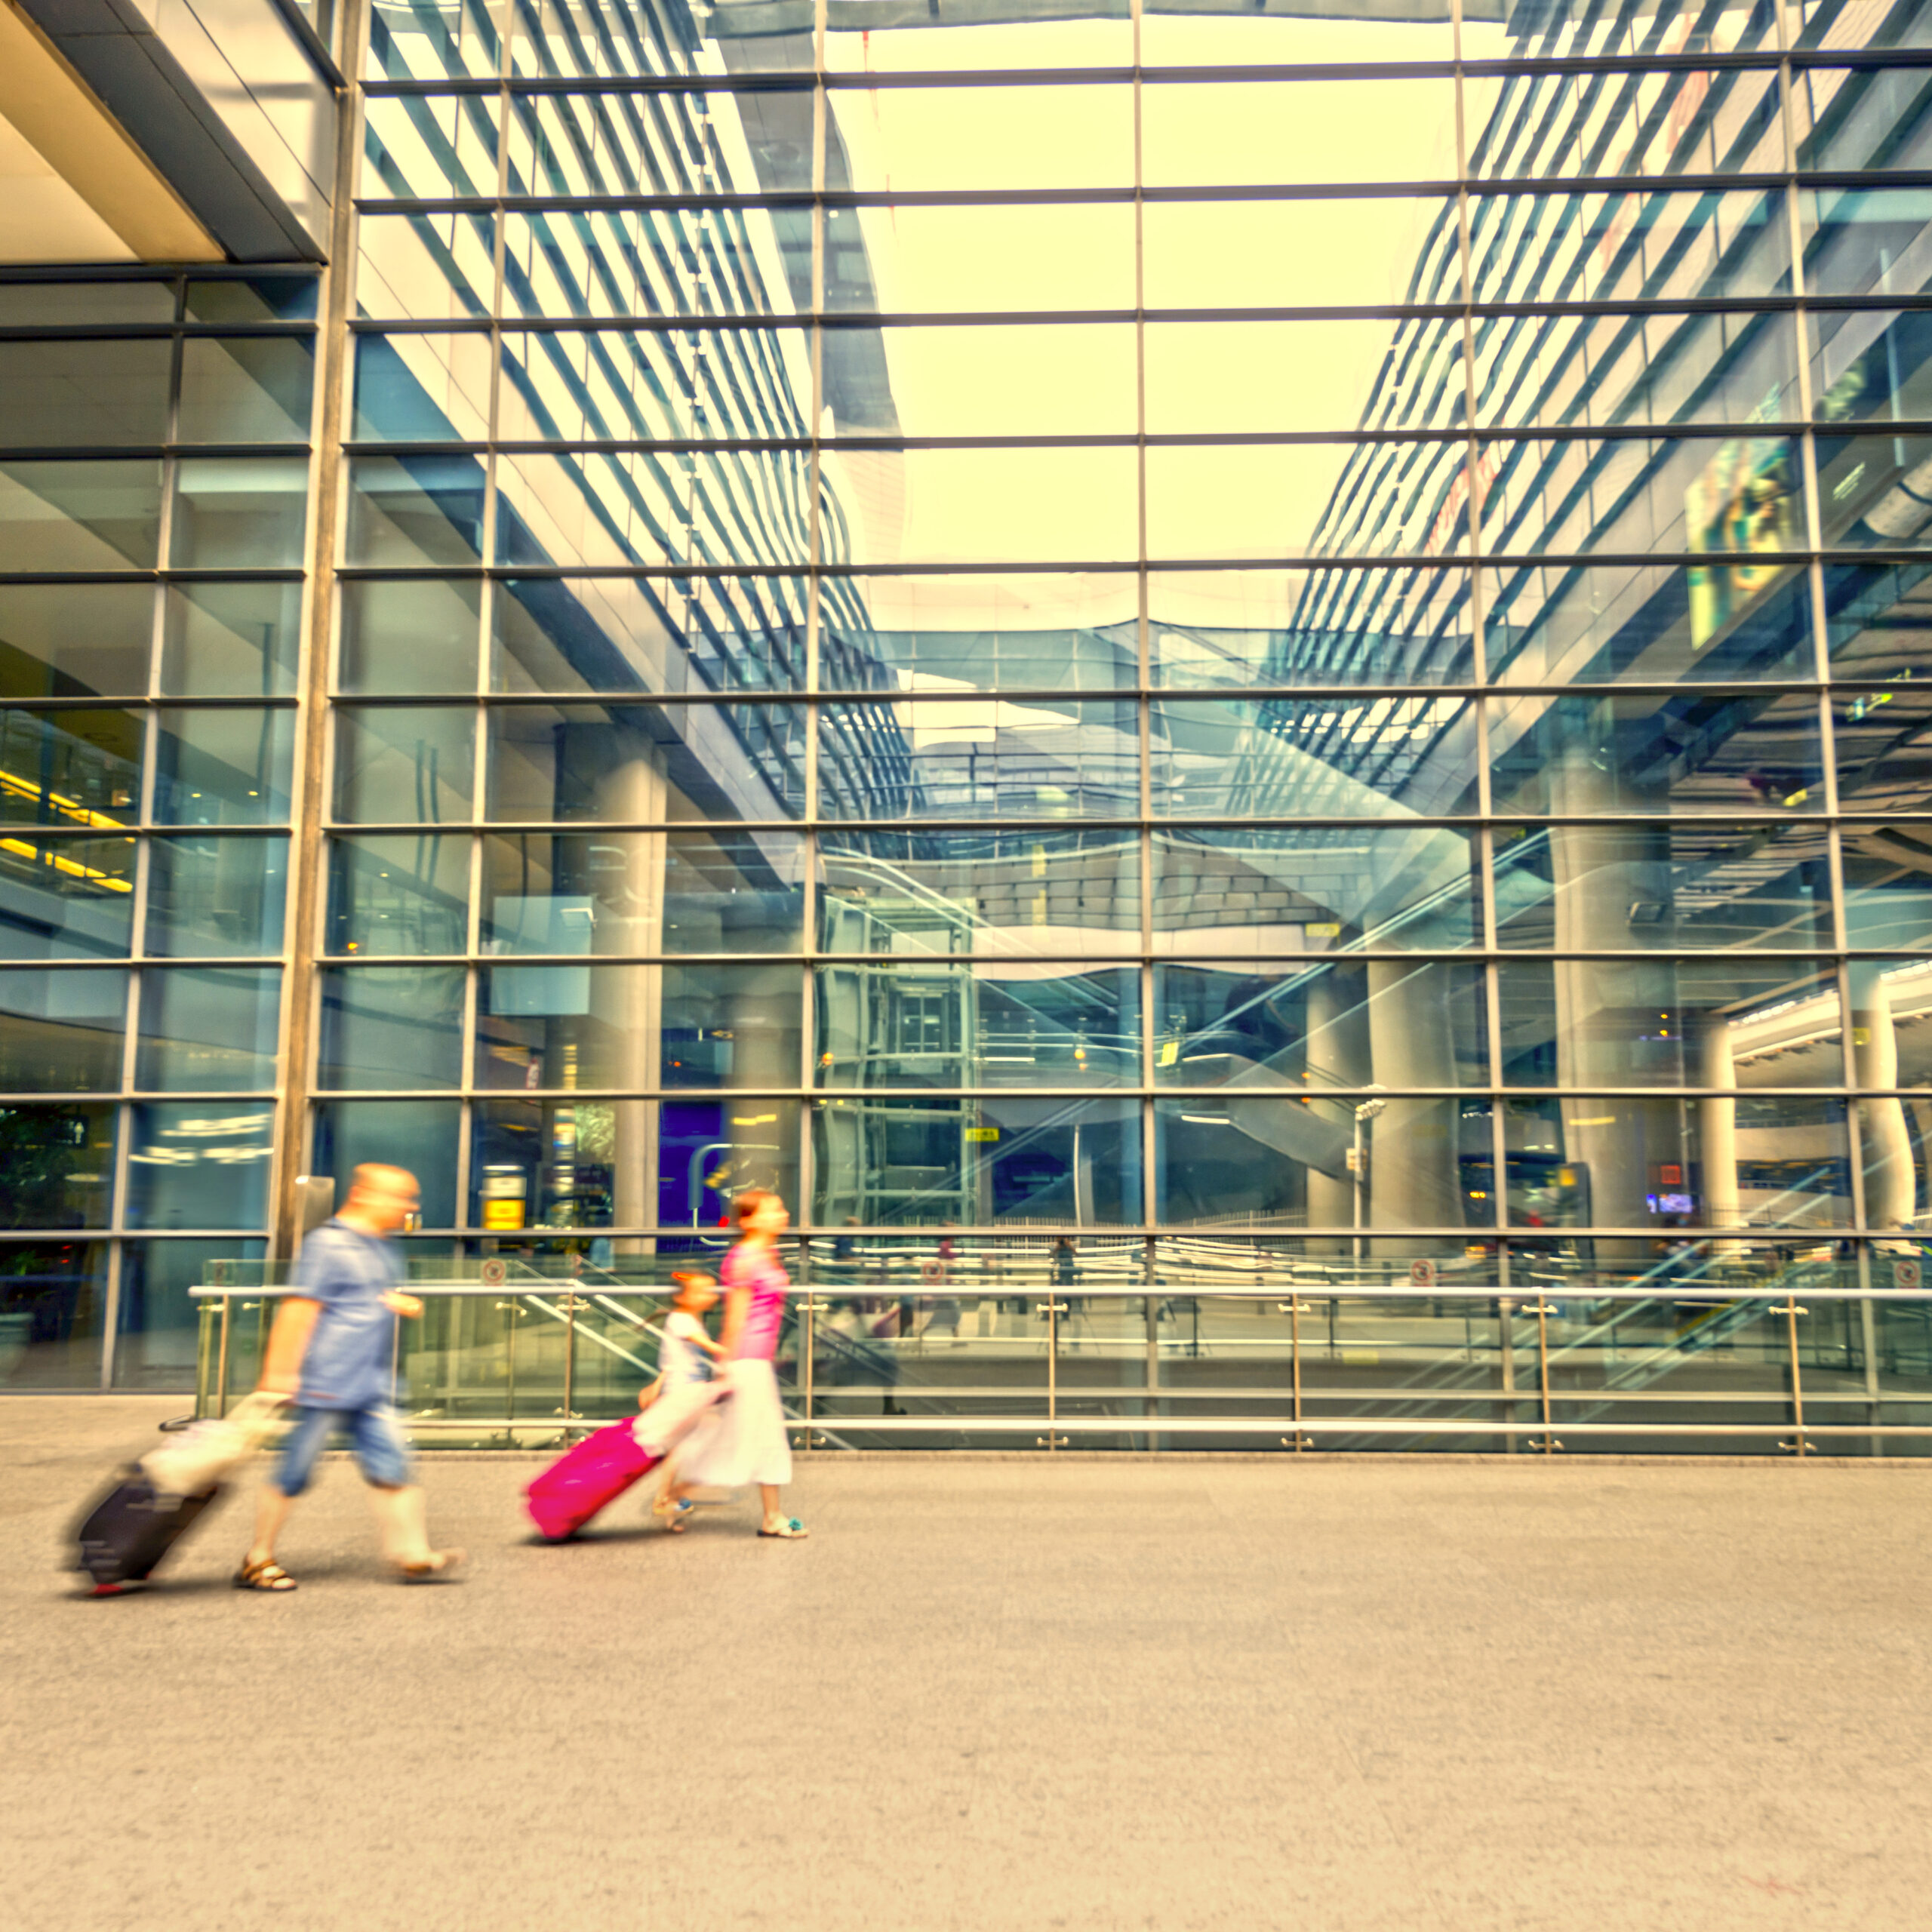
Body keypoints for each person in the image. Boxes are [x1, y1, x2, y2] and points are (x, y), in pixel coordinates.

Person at [233, 1164, 463, 1592]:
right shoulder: (327, 1244)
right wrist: (279, 1375)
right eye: (399, 1197)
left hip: (374, 1385)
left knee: (394, 1467)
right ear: (363, 1195)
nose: (408, 1207)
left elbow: (364, 1296)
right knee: (295, 1472)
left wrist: (395, 1302)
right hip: (326, 1383)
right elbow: (300, 1310)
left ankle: (413, 1554)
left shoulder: (382, 1246)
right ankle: (257, 1557)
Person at [679, 1187, 808, 1538]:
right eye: (773, 1209)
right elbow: (735, 1315)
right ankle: (771, 1517)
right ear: (749, 1220)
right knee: (759, 1435)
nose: (782, 1214)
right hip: (746, 1360)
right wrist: (725, 1362)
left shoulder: (765, 1253)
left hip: (757, 1358)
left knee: (738, 1434)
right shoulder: (744, 1258)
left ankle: (676, 1495)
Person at [637, 1269, 728, 1530]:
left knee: (682, 1445)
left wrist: (656, 1385)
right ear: (684, 1297)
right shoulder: (682, 1320)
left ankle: (669, 1502)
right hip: (685, 1391)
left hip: (689, 1388)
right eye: (703, 1291)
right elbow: (708, 1347)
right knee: (699, 1437)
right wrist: (738, 1352)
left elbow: (670, 1359)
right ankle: (670, 1496)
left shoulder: (688, 1318)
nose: (711, 1296)